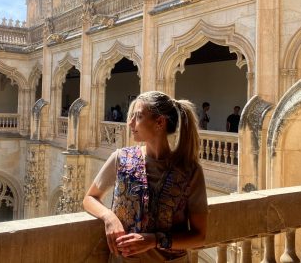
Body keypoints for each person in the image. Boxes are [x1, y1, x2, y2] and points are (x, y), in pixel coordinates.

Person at [83, 91, 208, 262]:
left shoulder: (190, 171)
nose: (130, 123)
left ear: (159, 122)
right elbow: (90, 198)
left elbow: (199, 236)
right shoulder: (121, 158)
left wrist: (154, 240)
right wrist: (109, 217)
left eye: (138, 116)